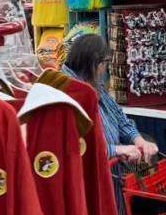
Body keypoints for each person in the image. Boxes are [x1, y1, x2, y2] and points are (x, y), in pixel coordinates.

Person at [62, 34, 159, 163]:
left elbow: (119, 117)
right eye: (105, 63)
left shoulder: (94, 85)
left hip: (111, 171)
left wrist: (138, 140)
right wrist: (117, 150)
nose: (104, 69)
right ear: (98, 64)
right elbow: (77, 146)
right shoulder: (68, 94)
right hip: (91, 175)